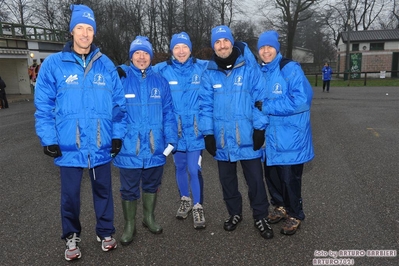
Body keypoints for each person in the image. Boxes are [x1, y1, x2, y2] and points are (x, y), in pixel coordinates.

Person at [34, 4, 127, 261]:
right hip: (69, 144)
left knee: (103, 191)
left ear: (94, 33)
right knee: (70, 196)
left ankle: (105, 231)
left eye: (89, 29)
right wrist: (48, 137)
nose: (85, 33)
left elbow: (119, 105)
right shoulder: (54, 65)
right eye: (80, 28)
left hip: (100, 143)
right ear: (72, 30)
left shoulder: (106, 65)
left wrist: (117, 134)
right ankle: (72, 235)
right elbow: (43, 105)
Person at [199, 25, 273, 239]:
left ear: (232, 42)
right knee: (227, 181)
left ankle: (261, 216)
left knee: (256, 182)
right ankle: (234, 213)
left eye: (225, 41)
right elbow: (205, 106)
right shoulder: (209, 74)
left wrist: (259, 128)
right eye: (217, 42)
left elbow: (260, 100)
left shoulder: (249, 68)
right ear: (214, 46)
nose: (222, 45)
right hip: (223, 139)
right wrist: (208, 134)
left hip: (248, 137)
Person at [113, 36, 178, 246]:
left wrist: (171, 140)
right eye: (137, 53)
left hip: (155, 146)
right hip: (128, 147)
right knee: (129, 188)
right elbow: (112, 112)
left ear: (151, 56)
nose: (142, 57)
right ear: (131, 56)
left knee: (152, 184)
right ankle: (129, 225)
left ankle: (148, 218)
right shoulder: (120, 79)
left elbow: (169, 113)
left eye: (146, 53)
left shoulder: (160, 81)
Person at [256, 30, 314, 235]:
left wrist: (268, 106)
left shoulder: (289, 69)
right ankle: (280, 206)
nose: (266, 50)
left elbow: (302, 101)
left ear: (276, 48)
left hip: (291, 137)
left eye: (269, 47)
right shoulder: (259, 71)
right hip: (270, 138)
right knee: (272, 175)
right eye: (262, 47)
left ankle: (295, 214)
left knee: (290, 179)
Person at [153, 32, 208, 229]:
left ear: (190, 49)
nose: (181, 51)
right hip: (175, 132)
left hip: (195, 131)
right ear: (172, 50)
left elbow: (224, 64)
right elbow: (140, 69)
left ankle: (198, 205)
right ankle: (185, 199)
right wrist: (122, 71)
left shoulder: (201, 67)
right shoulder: (162, 70)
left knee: (194, 169)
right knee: (179, 168)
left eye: (184, 47)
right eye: (177, 47)